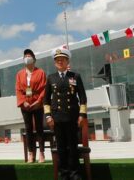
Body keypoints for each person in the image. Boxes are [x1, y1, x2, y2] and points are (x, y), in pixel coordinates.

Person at [45, 48, 86, 180]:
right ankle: (64, 174)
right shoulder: (51, 78)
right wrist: (48, 116)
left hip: (72, 116)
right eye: (57, 60)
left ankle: (75, 173)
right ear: (55, 63)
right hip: (57, 118)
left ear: (67, 61)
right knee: (61, 148)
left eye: (62, 59)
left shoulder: (75, 76)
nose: (60, 61)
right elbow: (46, 100)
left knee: (73, 146)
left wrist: (82, 115)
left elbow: (83, 98)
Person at [16, 48, 47, 163]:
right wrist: (23, 101)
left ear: (34, 59)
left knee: (39, 128)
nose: (27, 58)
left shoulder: (41, 72)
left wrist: (38, 101)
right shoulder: (19, 74)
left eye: (29, 56)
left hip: (37, 105)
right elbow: (18, 89)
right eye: (25, 56)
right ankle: (31, 154)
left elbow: (44, 89)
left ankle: (42, 153)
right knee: (28, 129)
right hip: (25, 105)